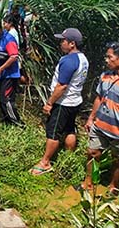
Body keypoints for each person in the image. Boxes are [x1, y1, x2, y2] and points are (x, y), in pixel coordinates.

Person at [30, 28, 89, 175]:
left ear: (72, 44)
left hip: (63, 103)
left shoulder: (69, 61)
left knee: (53, 132)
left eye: (63, 40)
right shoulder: (83, 59)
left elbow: (62, 86)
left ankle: (45, 163)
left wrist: (49, 103)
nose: (60, 43)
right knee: (69, 129)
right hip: (75, 101)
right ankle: (69, 156)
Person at [82, 42, 119, 194]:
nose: (106, 60)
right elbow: (99, 98)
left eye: (110, 57)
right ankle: (89, 182)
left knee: (118, 160)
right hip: (100, 126)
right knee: (93, 152)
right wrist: (91, 118)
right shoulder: (105, 76)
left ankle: (113, 185)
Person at [0, 18, 23, 126]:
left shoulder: (8, 39)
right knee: (2, 99)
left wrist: (0, 69)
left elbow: (14, 56)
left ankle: (17, 123)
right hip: (1, 76)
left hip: (10, 75)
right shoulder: (0, 39)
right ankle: (7, 120)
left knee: (6, 100)